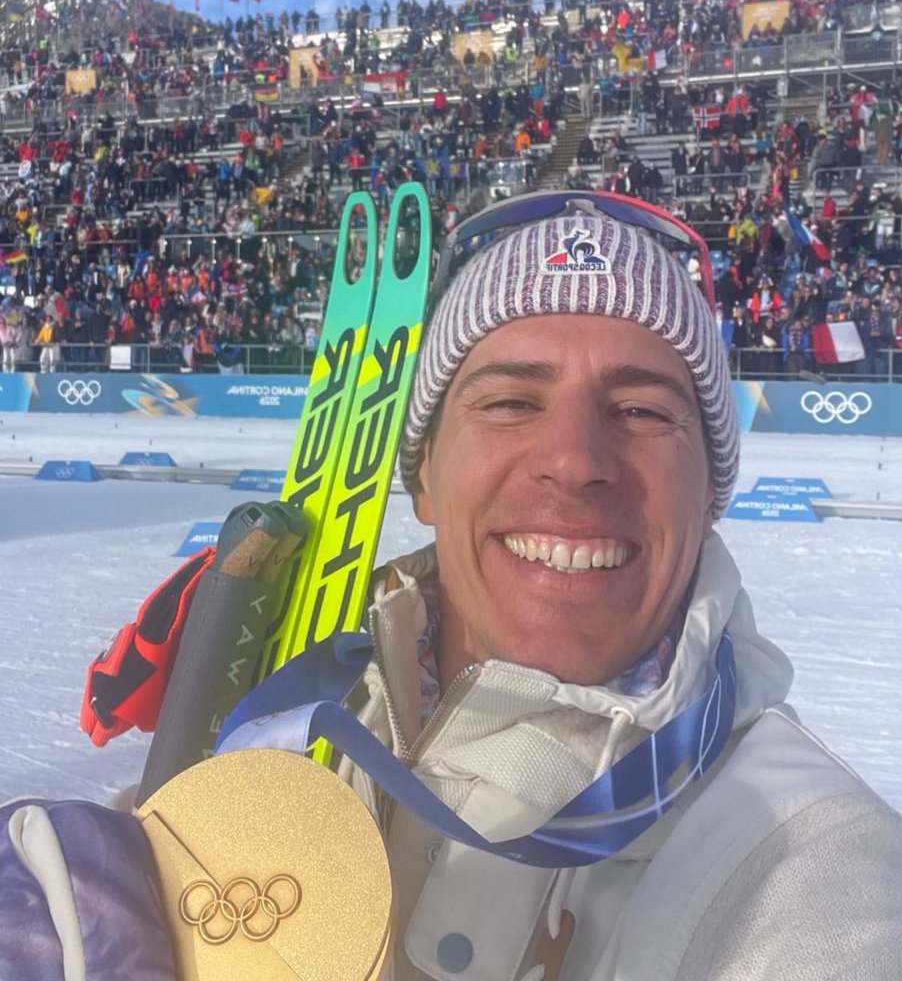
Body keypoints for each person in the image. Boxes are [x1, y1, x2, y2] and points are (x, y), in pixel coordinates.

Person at [7, 193, 902, 978]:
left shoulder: (811, 866)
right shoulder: (299, 707)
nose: (573, 462)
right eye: (510, 401)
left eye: (642, 411)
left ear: (712, 496)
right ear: (424, 477)